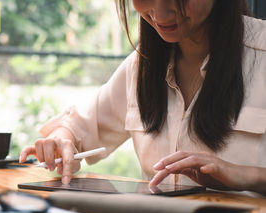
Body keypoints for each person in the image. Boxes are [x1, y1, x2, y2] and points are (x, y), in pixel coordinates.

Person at [19, 0, 266, 196]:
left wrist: (246, 176)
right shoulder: (141, 67)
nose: (161, 14)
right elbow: (77, 128)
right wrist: (61, 140)